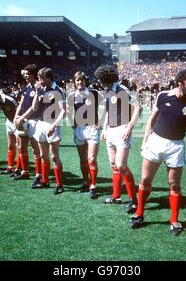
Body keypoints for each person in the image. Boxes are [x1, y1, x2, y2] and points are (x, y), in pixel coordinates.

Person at [131, 69, 186, 235]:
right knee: (145, 180)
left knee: (174, 184)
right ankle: (139, 213)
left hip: (175, 147)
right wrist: (146, 140)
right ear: (180, 82)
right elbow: (152, 120)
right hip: (156, 142)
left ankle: (174, 220)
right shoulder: (163, 95)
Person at [96, 64, 141, 214]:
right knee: (113, 165)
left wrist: (129, 128)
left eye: (100, 79)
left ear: (105, 78)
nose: (99, 82)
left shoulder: (122, 89)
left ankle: (133, 200)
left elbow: (138, 107)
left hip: (122, 130)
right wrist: (104, 128)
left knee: (121, 165)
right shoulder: (107, 91)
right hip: (111, 131)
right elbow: (109, 111)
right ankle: (116, 196)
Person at [31, 67, 66, 195]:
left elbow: (63, 111)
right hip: (40, 124)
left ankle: (59, 185)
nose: (39, 81)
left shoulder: (58, 90)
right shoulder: (41, 90)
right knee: (43, 155)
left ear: (48, 78)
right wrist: (36, 91)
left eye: (41, 78)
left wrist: (54, 125)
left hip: (52, 125)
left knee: (54, 156)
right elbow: (34, 108)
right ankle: (45, 181)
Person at [67, 71, 101, 199]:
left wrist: (100, 122)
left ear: (85, 81)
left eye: (82, 80)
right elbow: (68, 110)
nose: (80, 82)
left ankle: (93, 185)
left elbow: (108, 106)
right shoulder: (72, 96)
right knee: (83, 160)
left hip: (92, 129)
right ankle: (85, 181)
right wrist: (72, 124)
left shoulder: (93, 93)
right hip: (79, 129)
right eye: (77, 80)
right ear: (74, 82)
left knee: (91, 159)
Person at [13, 65, 42, 182]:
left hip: (34, 121)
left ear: (33, 74)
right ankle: (24, 172)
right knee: (21, 147)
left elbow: (33, 108)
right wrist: (16, 117)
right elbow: (21, 103)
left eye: (27, 74)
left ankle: (38, 174)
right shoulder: (26, 88)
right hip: (23, 121)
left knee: (35, 149)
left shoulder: (38, 88)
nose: (25, 76)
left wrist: (22, 118)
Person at [0, 88, 23, 174]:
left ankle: (18, 168)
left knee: (20, 147)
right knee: (10, 145)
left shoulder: (10, 99)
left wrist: (18, 121)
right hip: (9, 121)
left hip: (18, 122)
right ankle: (10, 167)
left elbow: (20, 109)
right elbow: (0, 107)